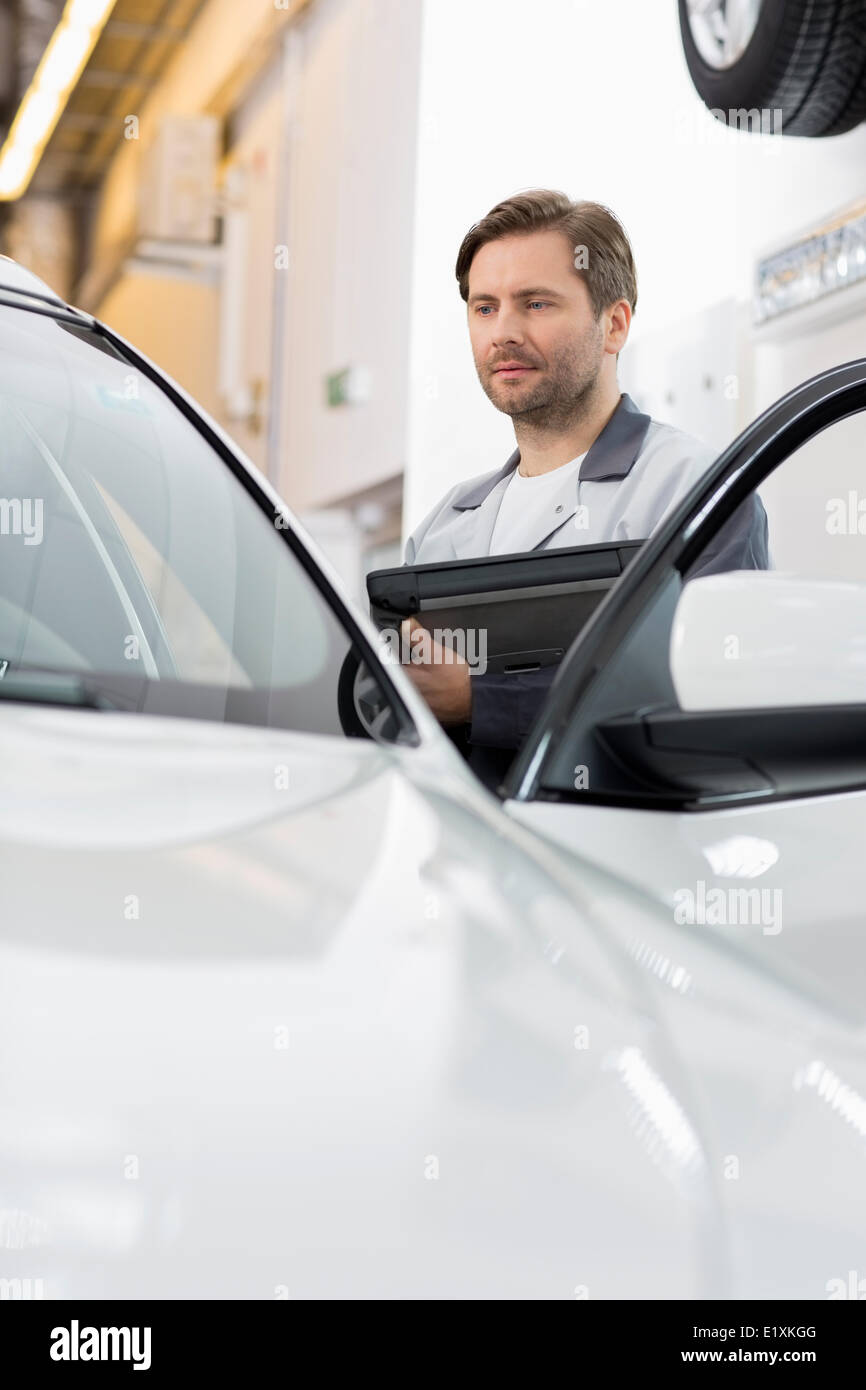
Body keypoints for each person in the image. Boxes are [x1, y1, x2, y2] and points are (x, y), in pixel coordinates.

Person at [399, 189, 767, 784]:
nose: (504, 333)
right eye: (484, 308)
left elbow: (718, 693)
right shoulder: (443, 527)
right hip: (467, 860)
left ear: (613, 324)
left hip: (629, 857)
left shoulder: (693, 490)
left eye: (536, 304)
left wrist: (480, 699)